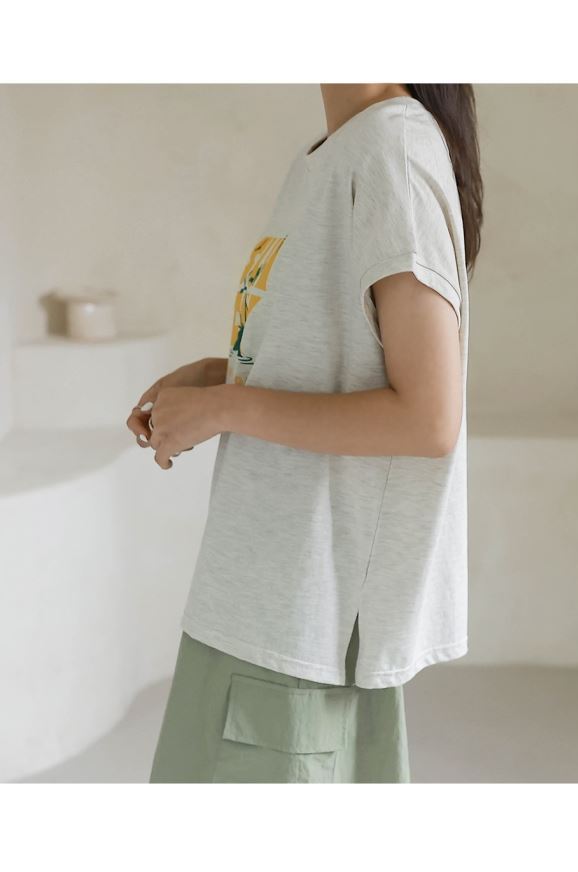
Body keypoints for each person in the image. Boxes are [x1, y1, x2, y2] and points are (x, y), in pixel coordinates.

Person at [126, 83, 483, 783]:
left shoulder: (392, 151)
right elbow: (338, 361)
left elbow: (429, 417)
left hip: (300, 626)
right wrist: (221, 377)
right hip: (256, 604)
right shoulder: (331, 153)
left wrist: (225, 409)